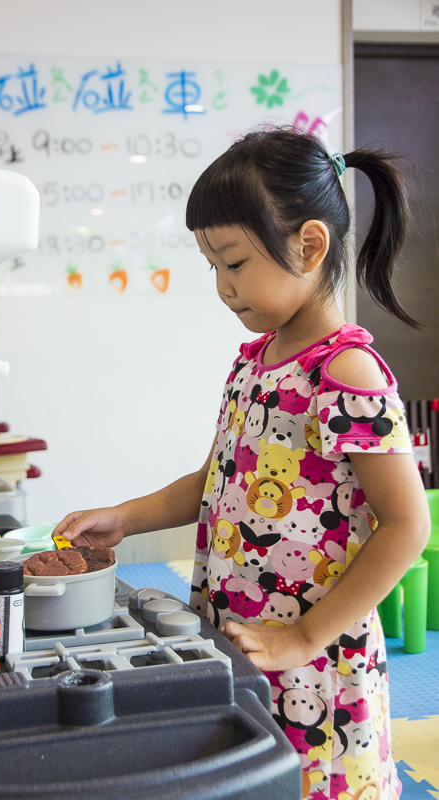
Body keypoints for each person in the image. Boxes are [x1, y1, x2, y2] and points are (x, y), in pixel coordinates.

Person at [53, 127, 430, 800]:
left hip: (315, 660)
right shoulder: (254, 363)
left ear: (307, 245)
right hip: (242, 639)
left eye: (233, 262)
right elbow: (214, 483)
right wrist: (127, 517)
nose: (224, 288)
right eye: (212, 267)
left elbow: (405, 526)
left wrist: (304, 636)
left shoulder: (345, 372)